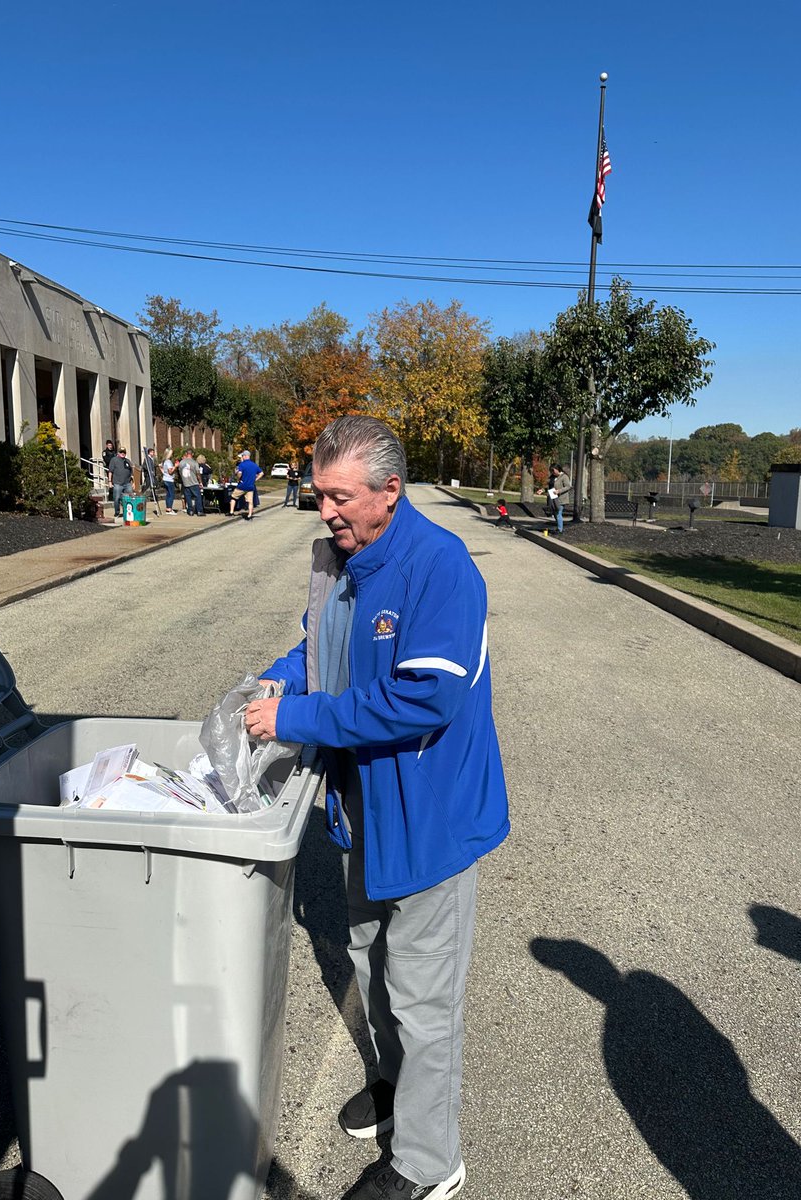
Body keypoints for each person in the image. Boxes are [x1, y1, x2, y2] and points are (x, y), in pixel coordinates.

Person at [244, 415, 509, 1200]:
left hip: (427, 819)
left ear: (391, 491)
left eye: (339, 497)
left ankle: (431, 1164)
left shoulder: (440, 566)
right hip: (362, 812)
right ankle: (400, 1092)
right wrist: (279, 680)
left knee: (425, 998)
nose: (324, 510)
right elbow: (319, 649)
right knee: (371, 962)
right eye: (318, 493)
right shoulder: (343, 562)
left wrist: (297, 720)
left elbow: (421, 699)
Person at [228, 450, 263, 520]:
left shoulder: (242, 464)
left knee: (233, 497)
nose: (242, 457)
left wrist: (238, 478)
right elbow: (261, 473)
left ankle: (231, 512)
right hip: (250, 486)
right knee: (250, 501)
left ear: (245, 456)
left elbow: (239, 473)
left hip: (242, 485)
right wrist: (256, 479)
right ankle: (249, 515)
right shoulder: (254, 465)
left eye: (243, 456)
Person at [537, 463, 572, 533]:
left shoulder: (564, 477)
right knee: (555, 513)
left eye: (553, 471)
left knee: (558, 513)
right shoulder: (552, 477)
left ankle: (560, 529)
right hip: (553, 498)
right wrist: (542, 490)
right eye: (551, 471)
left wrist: (559, 491)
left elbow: (568, 487)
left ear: (557, 469)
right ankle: (559, 527)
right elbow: (549, 486)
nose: (552, 472)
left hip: (561, 498)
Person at [107, 446, 134, 519]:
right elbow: (110, 471)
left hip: (127, 483)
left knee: (130, 498)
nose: (123, 454)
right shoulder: (114, 460)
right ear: (118, 453)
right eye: (121, 452)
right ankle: (117, 513)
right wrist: (109, 481)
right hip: (117, 483)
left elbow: (131, 473)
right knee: (117, 498)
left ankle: (129, 512)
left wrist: (133, 482)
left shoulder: (128, 461)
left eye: (124, 452)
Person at [178, 449, 205, 516]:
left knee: (188, 497)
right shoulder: (194, 462)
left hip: (185, 482)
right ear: (192, 454)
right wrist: (200, 482)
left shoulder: (181, 462)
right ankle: (199, 511)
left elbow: (180, 472)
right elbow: (198, 473)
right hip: (194, 482)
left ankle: (190, 511)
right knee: (197, 497)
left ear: (186, 454)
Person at [160, 448, 178, 515]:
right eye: (171, 453)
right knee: (171, 494)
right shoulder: (168, 462)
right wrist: (175, 467)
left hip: (165, 478)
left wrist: (164, 473)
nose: (172, 455)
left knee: (168, 494)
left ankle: (168, 508)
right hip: (169, 479)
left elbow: (161, 467)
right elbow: (170, 472)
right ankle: (170, 509)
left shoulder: (164, 461)